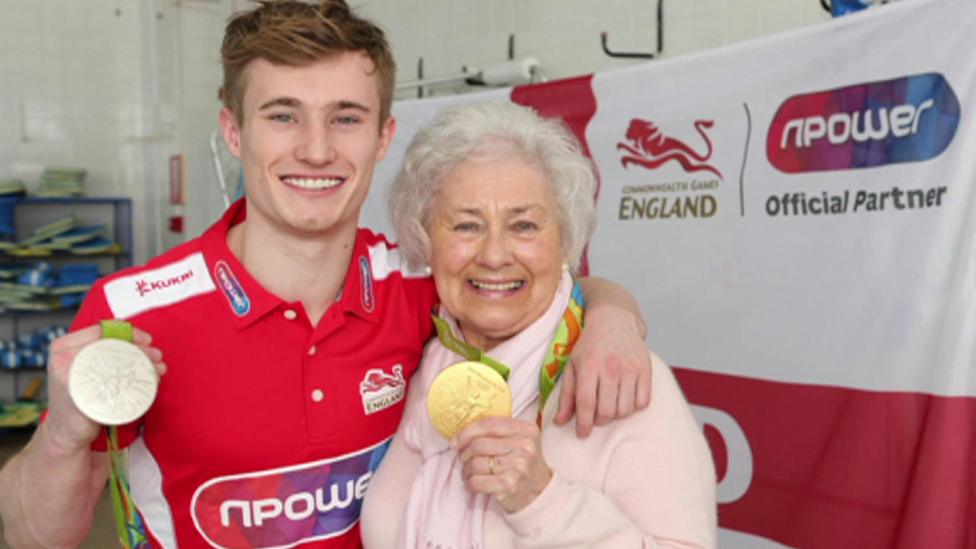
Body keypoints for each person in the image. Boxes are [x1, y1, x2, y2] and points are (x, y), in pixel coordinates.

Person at [0, 2, 654, 548]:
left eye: (345, 117)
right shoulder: (132, 312)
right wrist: (60, 433)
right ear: (233, 131)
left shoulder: (417, 280)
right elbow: (33, 536)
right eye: (282, 115)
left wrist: (612, 317)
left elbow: (540, 284)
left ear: (382, 135)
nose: (315, 149)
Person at [360, 102, 717, 548]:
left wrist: (542, 501)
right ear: (424, 239)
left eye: (524, 226)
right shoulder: (421, 357)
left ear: (565, 240)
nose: (493, 255)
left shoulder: (620, 380)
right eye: (467, 225)